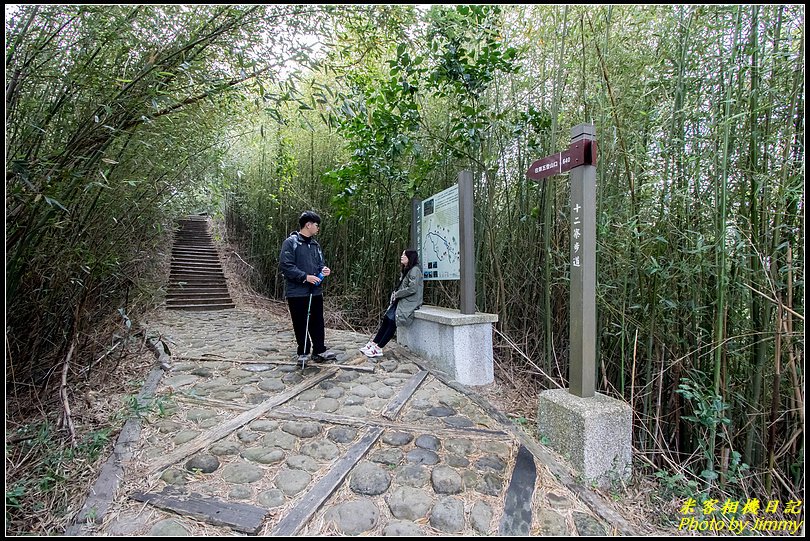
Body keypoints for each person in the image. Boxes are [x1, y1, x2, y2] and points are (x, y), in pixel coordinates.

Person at [279, 210, 338, 364]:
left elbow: (320, 264)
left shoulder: (315, 245)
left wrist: (323, 271)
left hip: (315, 291)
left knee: (317, 321)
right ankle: (303, 352)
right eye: (316, 225)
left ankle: (319, 350)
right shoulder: (291, 242)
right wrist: (305, 277)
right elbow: (286, 266)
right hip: (297, 292)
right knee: (300, 322)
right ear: (308, 225)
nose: (318, 228)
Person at [360, 249, 423, 358]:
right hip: (401, 300)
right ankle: (374, 344)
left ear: (410, 257)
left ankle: (379, 348)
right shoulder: (407, 269)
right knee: (387, 319)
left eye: (404, 254)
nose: (401, 256)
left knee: (392, 322)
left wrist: (397, 294)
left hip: (409, 302)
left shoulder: (415, 270)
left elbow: (412, 288)